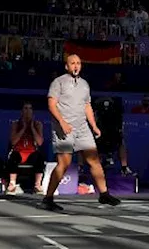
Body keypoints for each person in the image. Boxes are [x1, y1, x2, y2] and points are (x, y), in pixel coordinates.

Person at [42, 54, 121, 209]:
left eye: (78, 63)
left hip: (82, 127)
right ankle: (48, 198)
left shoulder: (85, 84)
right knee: (64, 163)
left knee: (94, 159)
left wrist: (94, 126)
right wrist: (62, 122)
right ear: (67, 66)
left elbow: (87, 106)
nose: (76, 66)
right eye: (72, 63)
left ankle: (104, 194)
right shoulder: (58, 82)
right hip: (63, 127)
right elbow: (52, 104)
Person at [7, 102, 45, 195]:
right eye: (25, 108)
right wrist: (23, 128)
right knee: (13, 156)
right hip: (19, 152)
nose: (28, 111)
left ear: (32, 112)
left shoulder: (37, 124)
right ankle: (12, 184)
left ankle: (37, 185)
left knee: (40, 157)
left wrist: (32, 128)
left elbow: (40, 142)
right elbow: (13, 142)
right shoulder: (15, 124)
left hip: (31, 153)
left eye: (30, 108)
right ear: (22, 111)